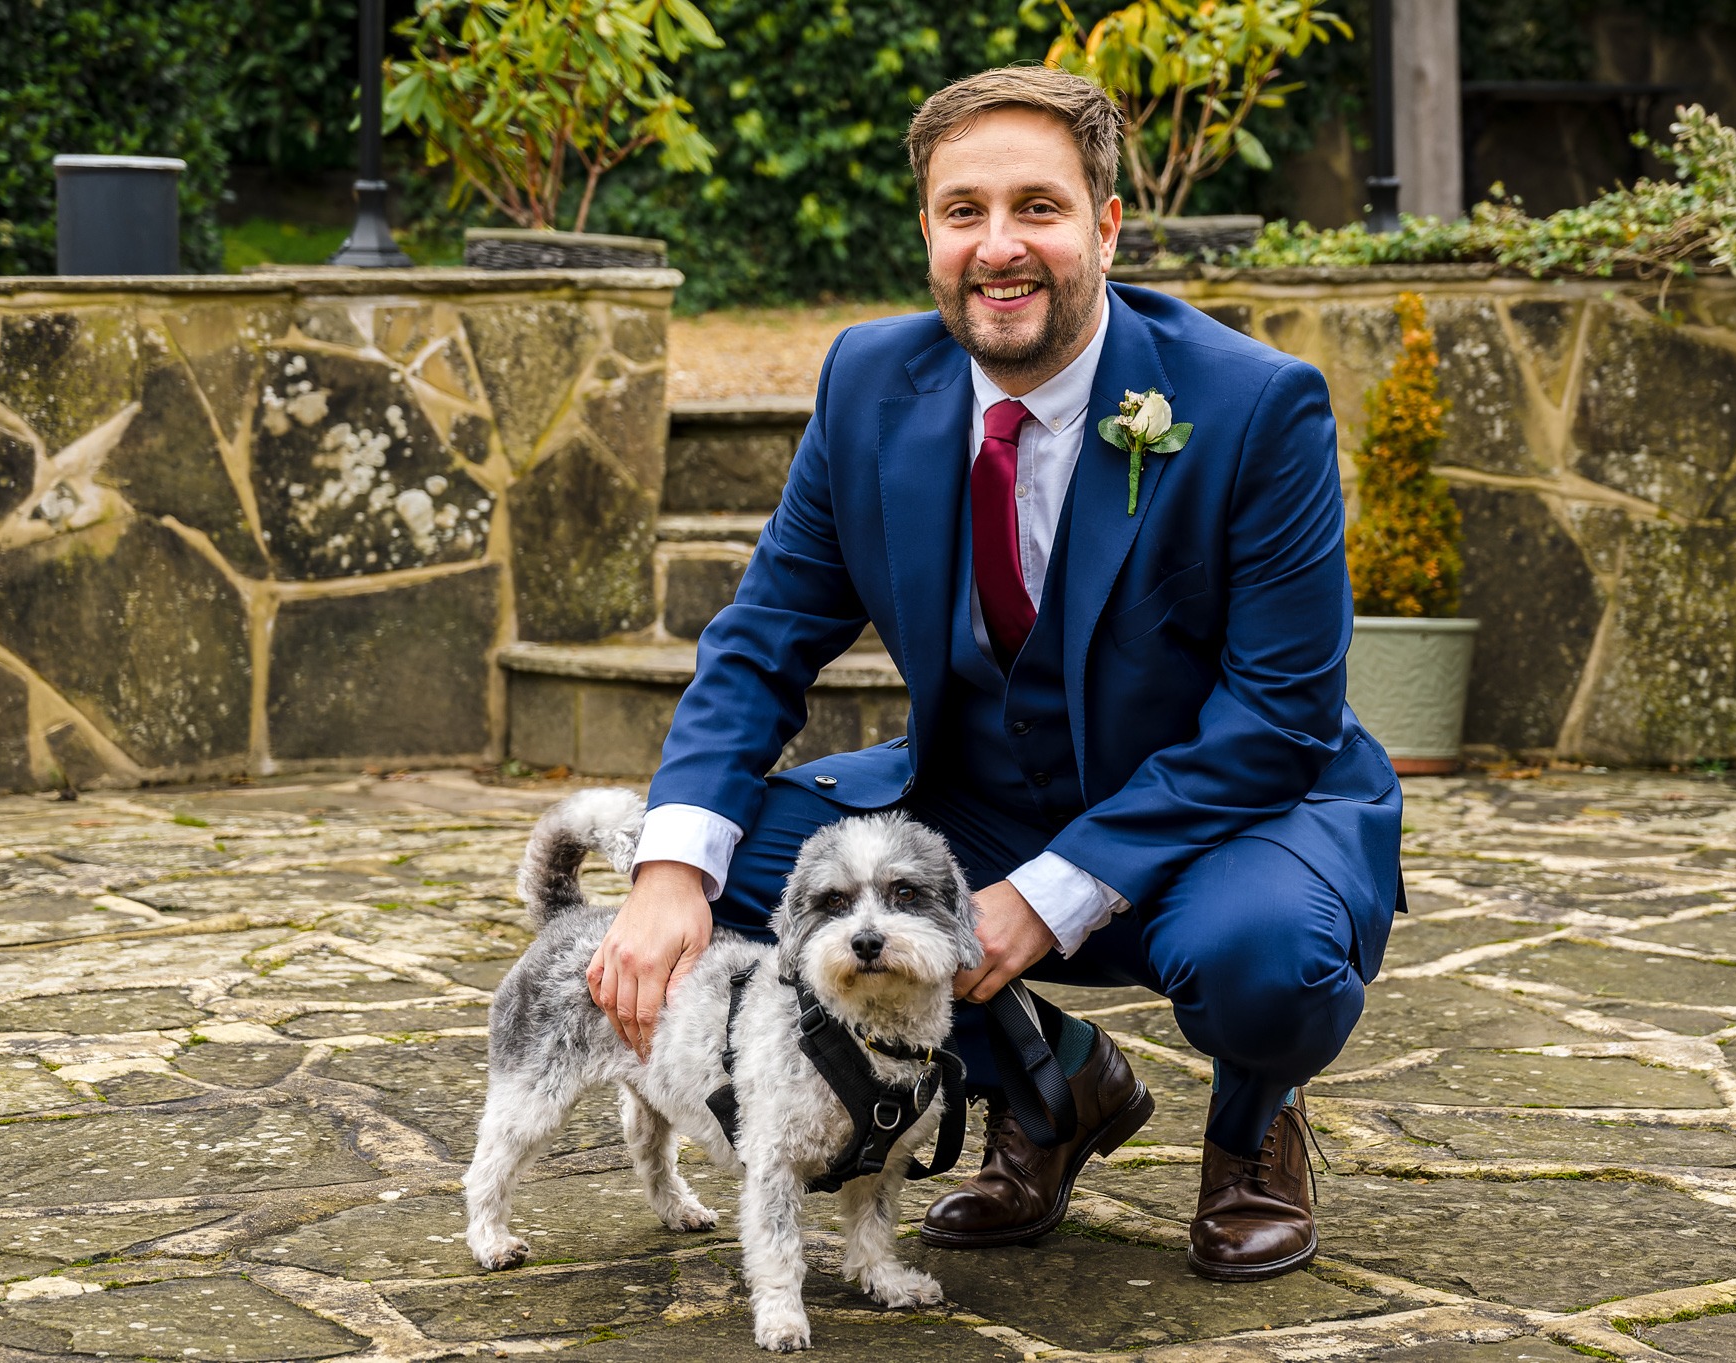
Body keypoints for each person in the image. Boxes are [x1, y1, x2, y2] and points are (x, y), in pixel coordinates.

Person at [586, 64, 1403, 1281]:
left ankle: (1249, 1133)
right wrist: (663, 872)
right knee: (743, 862)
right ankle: (1048, 1078)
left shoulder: (1251, 406)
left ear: (1106, 226)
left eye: (1038, 207)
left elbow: (1281, 713)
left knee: (1267, 956)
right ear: (926, 230)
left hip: (1231, 813)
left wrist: (1049, 893)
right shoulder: (868, 383)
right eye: (963, 210)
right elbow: (762, 639)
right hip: (981, 790)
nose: (999, 246)